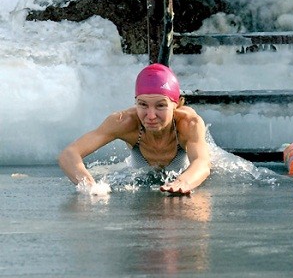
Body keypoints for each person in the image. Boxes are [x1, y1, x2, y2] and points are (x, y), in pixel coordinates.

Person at [58, 63, 211, 195]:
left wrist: (184, 181)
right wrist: (90, 186)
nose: (151, 116)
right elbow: (68, 154)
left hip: (186, 173)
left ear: (176, 104)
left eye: (160, 105)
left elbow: (202, 163)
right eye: (143, 104)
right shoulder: (125, 122)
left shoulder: (189, 124)